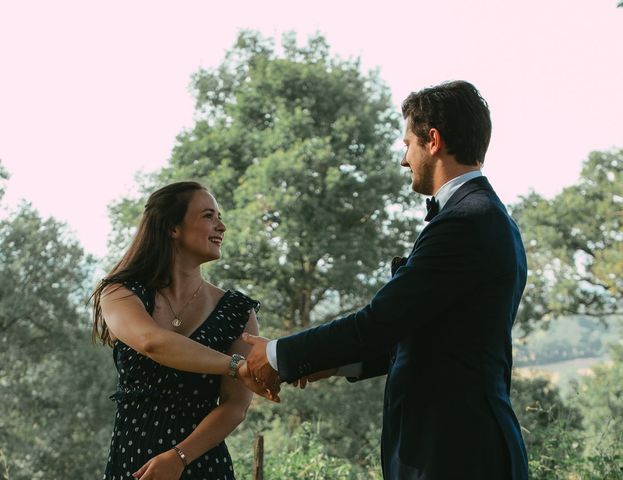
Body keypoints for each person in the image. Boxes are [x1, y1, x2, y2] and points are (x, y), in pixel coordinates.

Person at [243, 80, 529, 479]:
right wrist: (330, 364)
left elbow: (380, 321)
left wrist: (276, 354)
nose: (403, 159)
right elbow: (427, 335)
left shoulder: (465, 223)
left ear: (433, 140)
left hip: (456, 453)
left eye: (406, 143)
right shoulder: (486, 217)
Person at [92, 181, 278, 480]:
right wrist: (237, 367)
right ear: (172, 228)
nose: (222, 226)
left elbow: (235, 406)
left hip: (203, 463)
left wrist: (179, 457)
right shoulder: (120, 293)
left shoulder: (238, 311)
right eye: (208, 216)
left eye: (219, 216)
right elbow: (152, 342)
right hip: (134, 461)